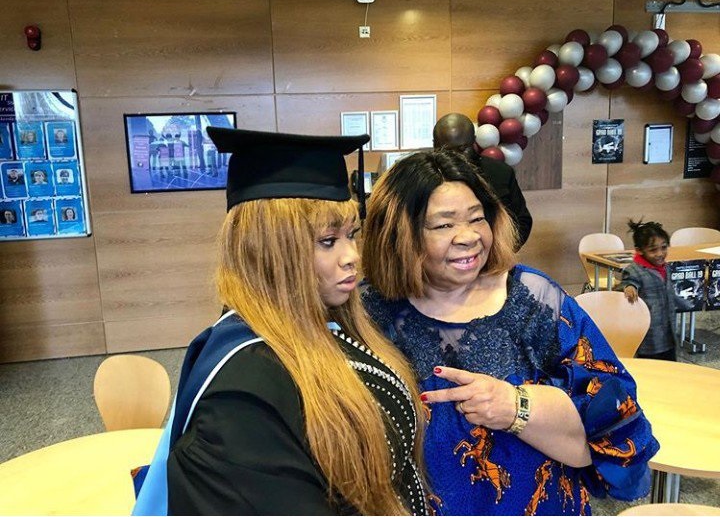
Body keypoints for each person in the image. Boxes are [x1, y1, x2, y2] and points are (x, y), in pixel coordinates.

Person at [133, 128, 427, 516]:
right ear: (269, 250)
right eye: (328, 241)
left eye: (352, 235)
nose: (352, 256)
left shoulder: (323, 324)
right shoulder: (241, 399)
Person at [361, 148, 659, 516]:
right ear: (398, 233)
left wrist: (516, 406)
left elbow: (616, 418)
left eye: (477, 218)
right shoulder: (368, 313)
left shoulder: (532, 299)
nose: (469, 236)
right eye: (443, 225)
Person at [433, 113, 532, 249]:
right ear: (435, 146)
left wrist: (499, 251)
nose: (457, 157)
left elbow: (522, 221)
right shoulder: (425, 179)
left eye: (462, 149)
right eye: (448, 151)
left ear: (474, 141)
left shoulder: (500, 172)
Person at [621, 219, 690, 362]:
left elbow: (669, 292)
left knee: (670, 365)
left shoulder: (665, 267)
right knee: (651, 367)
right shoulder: (634, 270)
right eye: (653, 250)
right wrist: (630, 287)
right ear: (639, 250)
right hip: (649, 335)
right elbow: (629, 281)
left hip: (668, 330)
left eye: (664, 247)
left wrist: (685, 303)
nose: (660, 253)